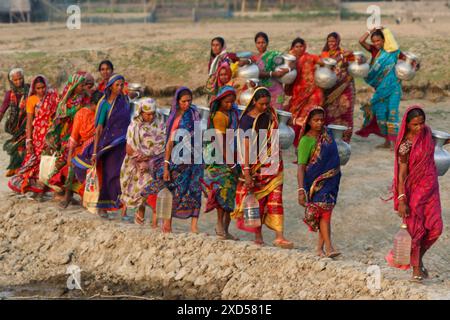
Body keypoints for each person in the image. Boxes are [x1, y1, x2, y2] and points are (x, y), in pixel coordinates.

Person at [386, 106, 446, 282]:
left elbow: (441, 141)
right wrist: (402, 198)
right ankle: (416, 269)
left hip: (431, 190)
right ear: (407, 124)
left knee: (436, 228)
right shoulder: (405, 145)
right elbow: (402, 173)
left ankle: (418, 258)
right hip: (414, 192)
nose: (419, 127)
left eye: (422, 123)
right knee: (415, 231)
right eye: (415, 125)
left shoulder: (427, 133)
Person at [232, 87, 293, 248]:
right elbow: (244, 147)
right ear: (254, 102)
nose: (265, 107)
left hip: (273, 165)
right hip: (255, 167)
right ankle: (258, 236)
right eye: (261, 104)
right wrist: (246, 172)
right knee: (258, 200)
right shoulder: (246, 121)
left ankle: (279, 236)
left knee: (276, 199)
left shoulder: (270, 115)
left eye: (267, 103)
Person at [143, 87, 203, 233]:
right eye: (184, 101)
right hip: (177, 159)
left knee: (195, 190)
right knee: (172, 190)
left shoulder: (194, 113)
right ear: (178, 101)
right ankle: (167, 224)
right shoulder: (175, 118)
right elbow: (169, 143)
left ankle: (194, 227)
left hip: (194, 159)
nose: (187, 104)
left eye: (189, 101)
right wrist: (166, 165)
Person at [72, 74, 131, 216]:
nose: (120, 87)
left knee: (123, 174)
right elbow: (99, 128)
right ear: (110, 86)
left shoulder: (124, 101)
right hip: (107, 144)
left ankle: (123, 210)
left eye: (122, 85)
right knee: (108, 174)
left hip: (122, 143)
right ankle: (103, 206)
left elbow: (129, 123)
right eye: (117, 85)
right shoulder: (104, 104)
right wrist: (94, 150)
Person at [356, 27, 415, 149]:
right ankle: (386, 142)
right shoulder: (374, 51)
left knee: (392, 113)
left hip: (394, 89)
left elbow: (410, 62)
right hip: (381, 89)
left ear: (384, 40)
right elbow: (361, 41)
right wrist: (369, 31)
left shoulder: (394, 52)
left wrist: (412, 66)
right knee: (381, 114)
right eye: (374, 41)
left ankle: (394, 143)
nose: (376, 43)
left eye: (378, 40)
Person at [297, 107, 341, 258]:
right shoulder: (305, 141)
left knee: (326, 213)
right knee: (324, 213)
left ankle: (320, 249)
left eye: (322, 120)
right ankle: (328, 247)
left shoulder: (327, 135)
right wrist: (301, 189)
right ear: (308, 121)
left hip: (331, 180)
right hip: (315, 183)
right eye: (316, 120)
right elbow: (301, 167)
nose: (319, 123)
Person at [8, 75, 58, 195]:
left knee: (47, 161)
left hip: (50, 135)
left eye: (43, 87)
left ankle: (42, 188)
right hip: (37, 136)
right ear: (34, 89)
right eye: (38, 88)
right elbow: (29, 121)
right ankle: (30, 186)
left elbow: (57, 114)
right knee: (34, 160)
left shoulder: (52, 97)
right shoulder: (31, 100)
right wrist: (28, 140)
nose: (41, 90)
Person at [201, 86, 240, 240]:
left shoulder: (232, 114)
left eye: (232, 102)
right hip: (219, 158)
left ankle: (226, 228)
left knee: (230, 193)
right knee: (221, 191)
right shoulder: (218, 116)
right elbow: (221, 142)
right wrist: (230, 163)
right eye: (226, 102)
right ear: (220, 101)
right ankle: (219, 225)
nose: (229, 105)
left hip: (230, 156)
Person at [120, 98, 165, 227]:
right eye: (147, 114)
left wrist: (150, 158)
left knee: (148, 191)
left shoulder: (160, 123)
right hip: (136, 164)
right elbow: (129, 147)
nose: (150, 117)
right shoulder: (134, 126)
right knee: (138, 192)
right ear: (141, 112)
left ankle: (149, 220)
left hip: (154, 163)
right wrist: (140, 161)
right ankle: (138, 217)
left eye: (152, 113)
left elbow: (162, 142)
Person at [44, 72, 89, 197]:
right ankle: (59, 192)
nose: (83, 87)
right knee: (63, 162)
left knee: (75, 163)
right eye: (81, 85)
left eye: (84, 84)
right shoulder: (65, 100)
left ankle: (69, 193)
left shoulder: (85, 98)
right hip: (67, 135)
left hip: (80, 134)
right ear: (74, 85)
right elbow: (60, 115)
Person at [59, 90, 102, 208]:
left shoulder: (102, 116)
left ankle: (88, 199)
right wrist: (69, 156)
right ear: (93, 104)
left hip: (96, 149)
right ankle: (67, 196)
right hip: (81, 149)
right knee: (72, 166)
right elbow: (74, 136)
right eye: (99, 106)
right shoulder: (81, 114)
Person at [286, 38, 324, 147]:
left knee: (309, 118)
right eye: (296, 47)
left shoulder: (310, 57)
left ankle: (310, 144)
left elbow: (322, 62)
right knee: (295, 117)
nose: (299, 49)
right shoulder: (290, 59)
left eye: (301, 46)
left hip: (313, 94)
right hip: (298, 93)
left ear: (305, 46)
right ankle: (299, 144)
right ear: (292, 48)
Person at [320, 32, 355, 143]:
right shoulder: (324, 55)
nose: (332, 43)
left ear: (338, 42)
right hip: (331, 89)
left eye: (334, 41)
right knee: (329, 114)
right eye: (330, 41)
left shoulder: (345, 53)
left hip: (345, 88)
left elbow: (355, 67)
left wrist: (351, 56)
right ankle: (329, 139)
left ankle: (344, 139)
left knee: (346, 113)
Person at [242, 32, 289, 111]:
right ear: (255, 44)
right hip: (261, 92)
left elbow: (287, 60)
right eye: (258, 43)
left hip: (275, 91)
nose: (261, 45)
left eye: (263, 42)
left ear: (267, 43)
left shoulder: (273, 55)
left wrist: (287, 70)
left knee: (276, 115)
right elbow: (253, 74)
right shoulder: (252, 58)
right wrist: (272, 73)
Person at [0, 68, 30, 177]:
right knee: (16, 145)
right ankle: (14, 167)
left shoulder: (29, 89)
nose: (18, 82)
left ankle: (22, 167)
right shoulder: (9, 94)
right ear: (11, 80)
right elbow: (2, 110)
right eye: (15, 80)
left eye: (20, 78)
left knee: (25, 145)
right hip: (15, 125)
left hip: (28, 122)